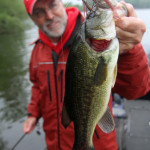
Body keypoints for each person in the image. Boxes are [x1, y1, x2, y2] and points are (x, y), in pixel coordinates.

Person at [23, 0, 150, 150]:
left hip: (100, 144)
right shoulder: (37, 50)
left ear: (62, 4)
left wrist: (129, 50)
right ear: (32, 19)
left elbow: (137, 90)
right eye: (39, 12)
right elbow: (38, 88)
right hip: (53, 143)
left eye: (52, 5)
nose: (49, 15)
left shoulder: (96, 36)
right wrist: (33, 113)